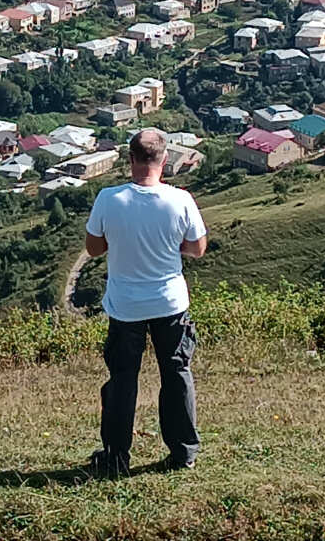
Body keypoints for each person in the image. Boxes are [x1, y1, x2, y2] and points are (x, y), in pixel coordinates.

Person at [83, 128, 208, 478]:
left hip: (126, 305)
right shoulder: (180, 199)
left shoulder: (109, 199)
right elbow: (197, 249)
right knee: (176, 373)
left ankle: (116, 457)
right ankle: (183, 452)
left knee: (123, 378)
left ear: (131, 159)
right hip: (170, 302)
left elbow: (94, 249)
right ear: (164, 160)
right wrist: (171, 247)